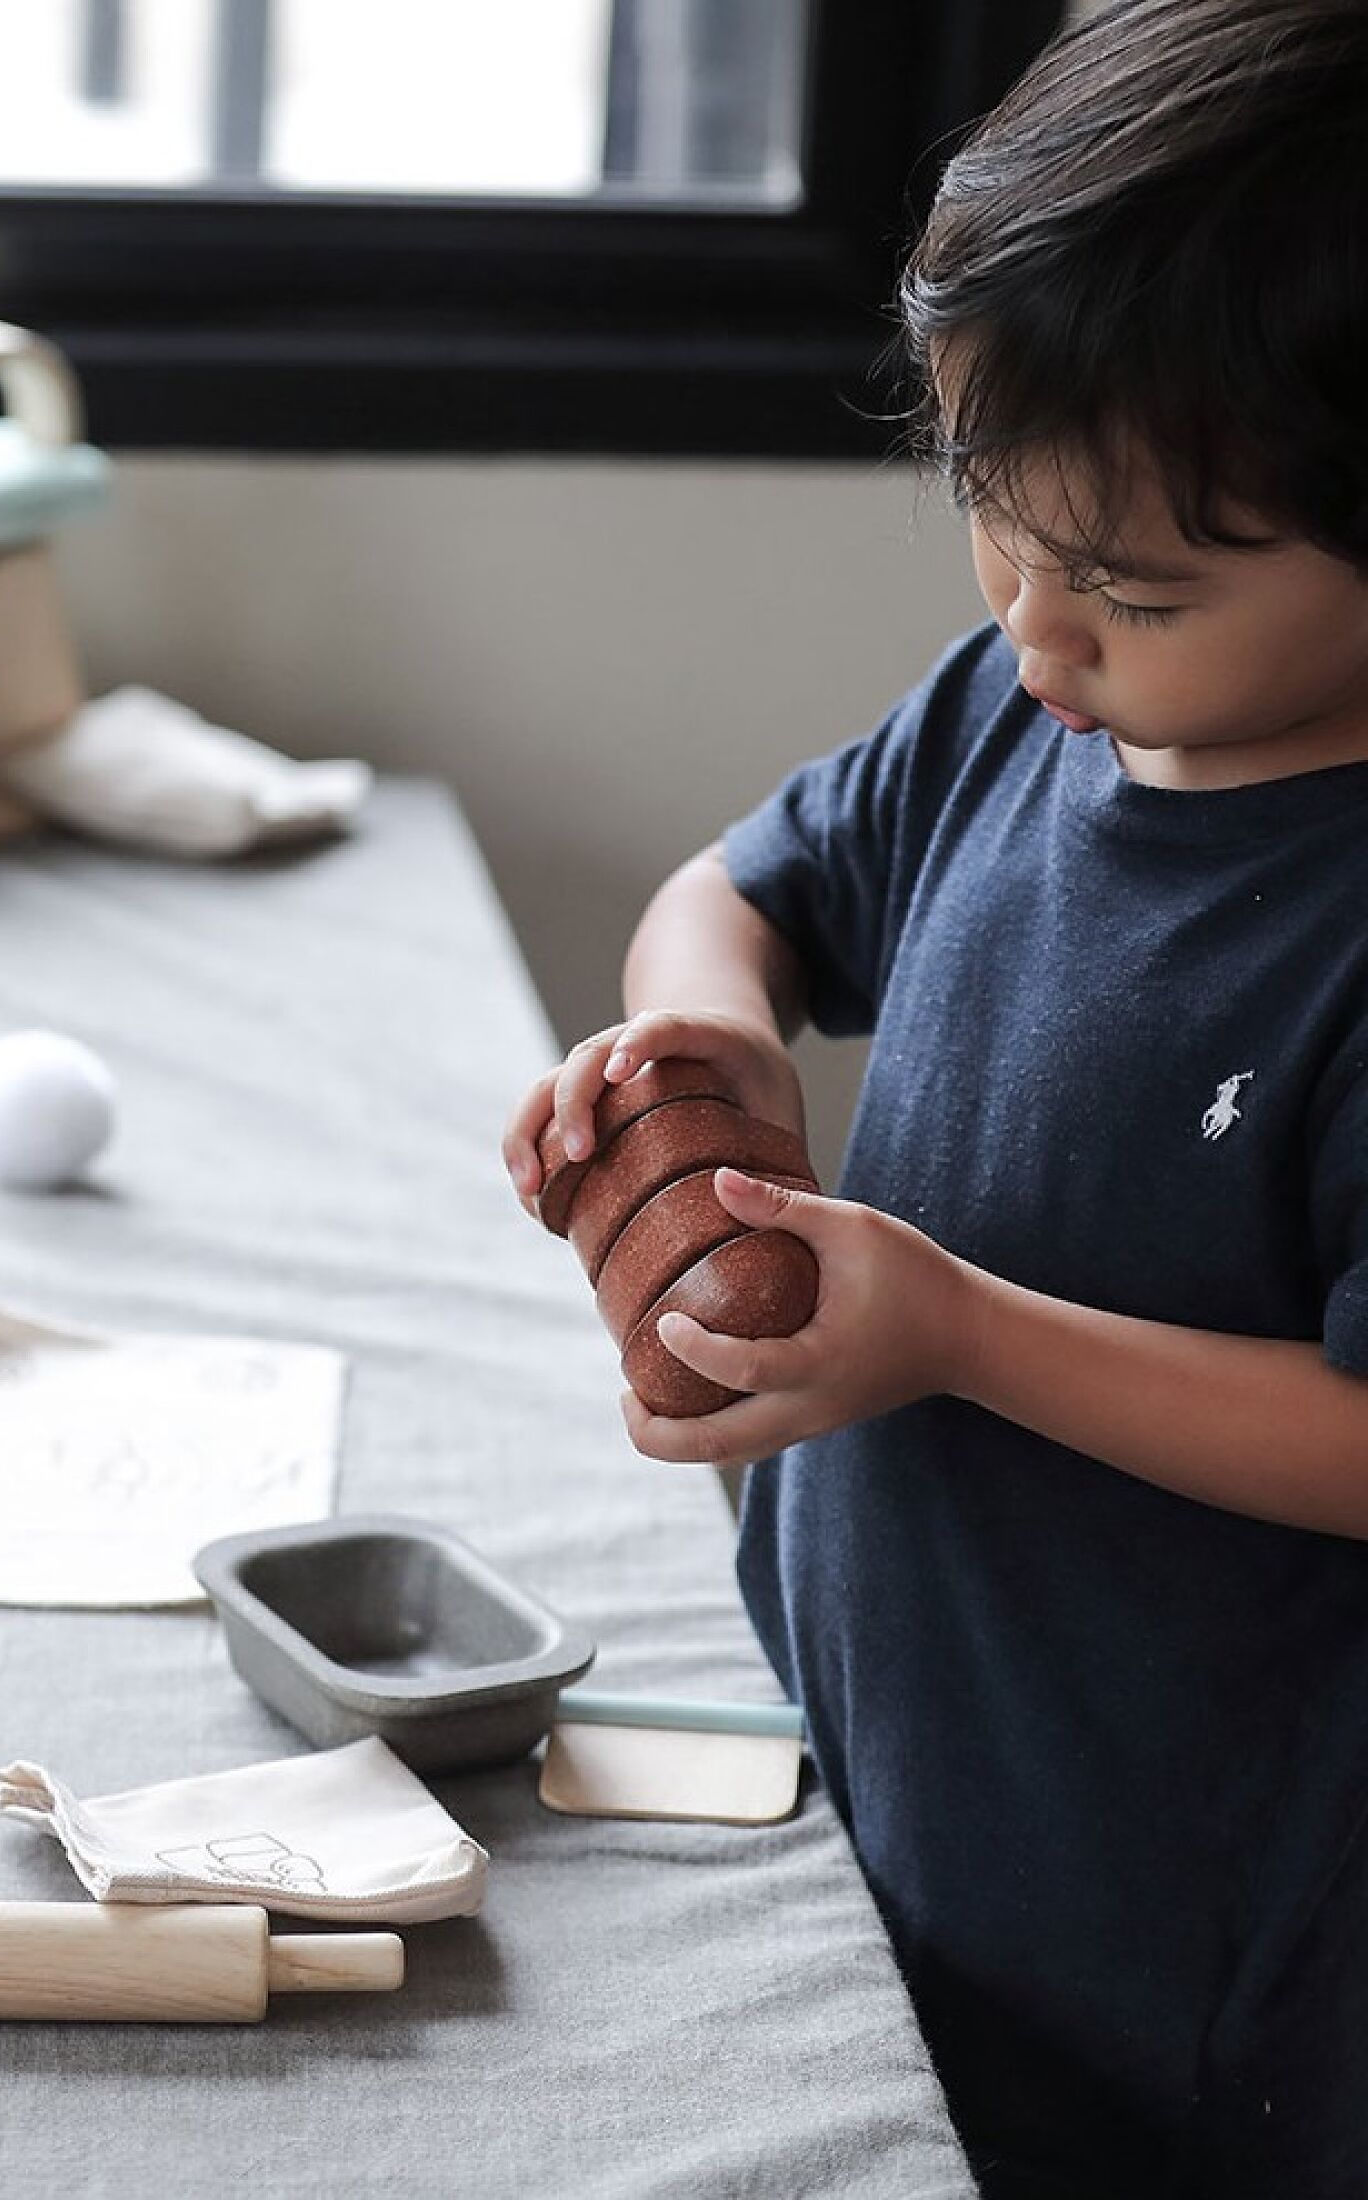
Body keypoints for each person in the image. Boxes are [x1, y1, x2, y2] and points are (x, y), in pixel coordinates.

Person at [502, 3, 1368, 2192]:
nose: (1031, 624)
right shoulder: (1018, 709)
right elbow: (738, 893)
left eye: (1129, 585)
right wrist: (698, 1056)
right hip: (894, 1763)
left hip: (1189, 1931)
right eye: (994, 520)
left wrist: (951, 1326)